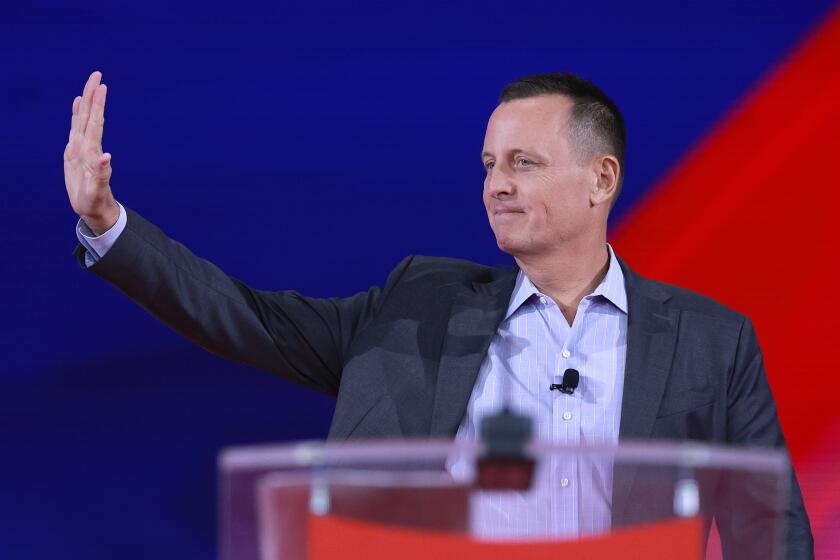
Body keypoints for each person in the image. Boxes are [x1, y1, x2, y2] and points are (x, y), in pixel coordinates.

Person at [64, 70, 813, 557]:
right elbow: (245, 318)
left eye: (524, 163)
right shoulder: (417, 303)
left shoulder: (710, 341)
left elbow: (769, 533)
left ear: (601, 179)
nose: (497, 185)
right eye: (489, 165)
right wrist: (108, 223)